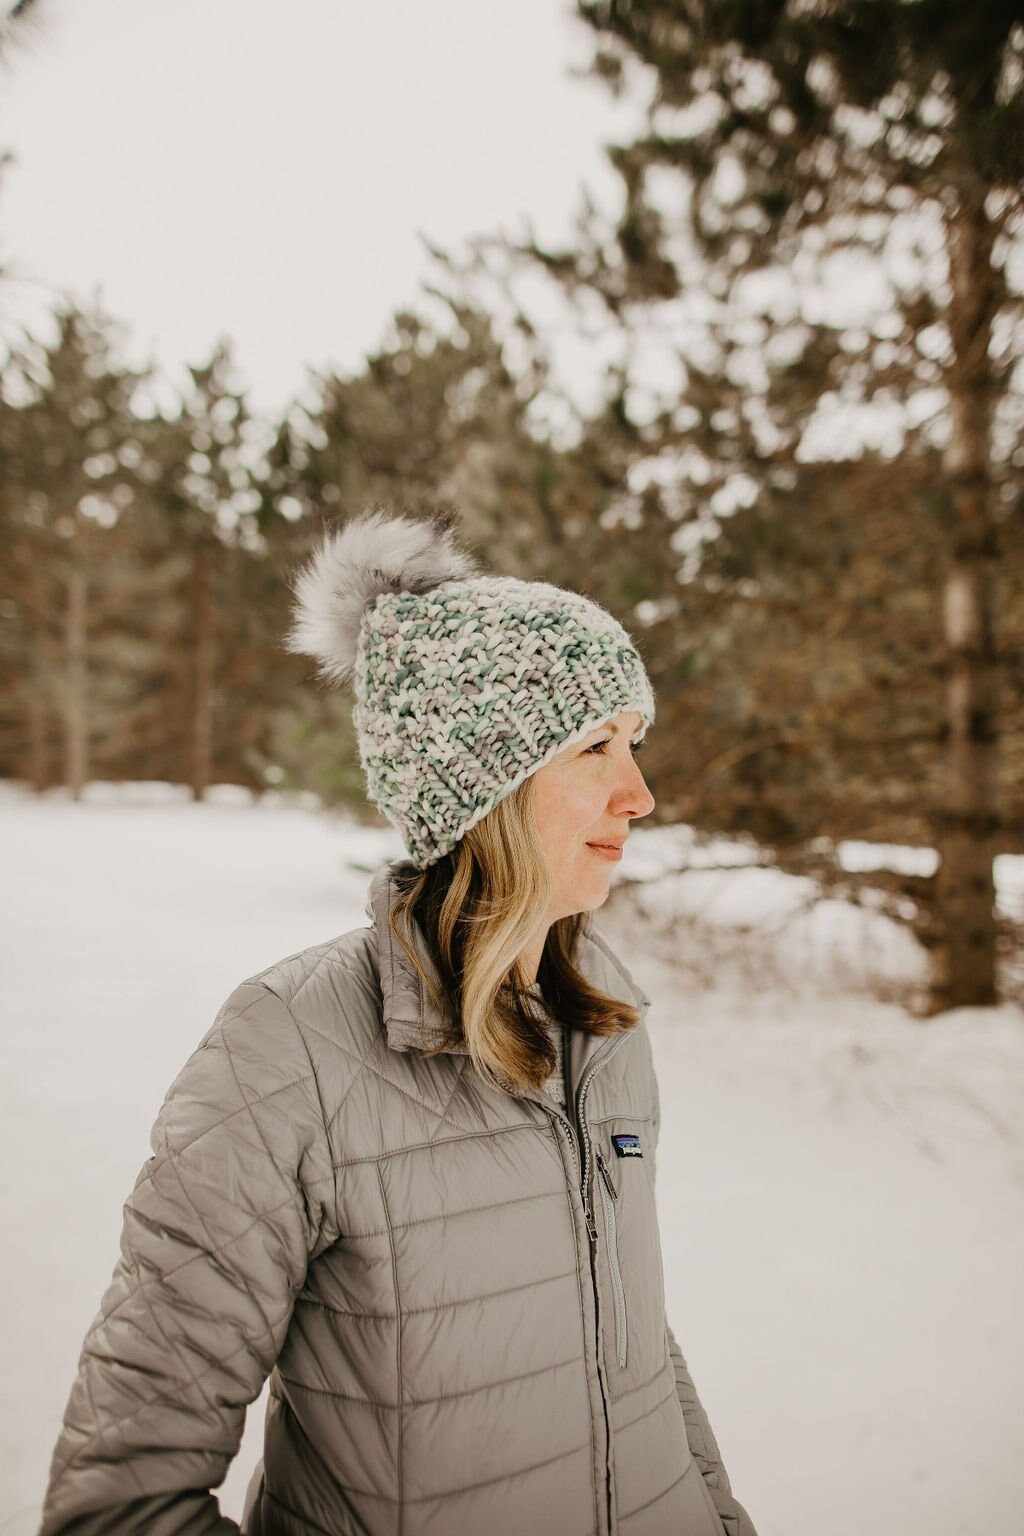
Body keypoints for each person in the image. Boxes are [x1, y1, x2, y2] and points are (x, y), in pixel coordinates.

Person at [40, 509, 756, 1536]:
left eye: (634, 742)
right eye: (596, 746)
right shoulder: (285, 1051)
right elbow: (121, 1504)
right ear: (486, 789)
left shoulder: (604, 1025)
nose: (638, 793)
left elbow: (633, 1353)